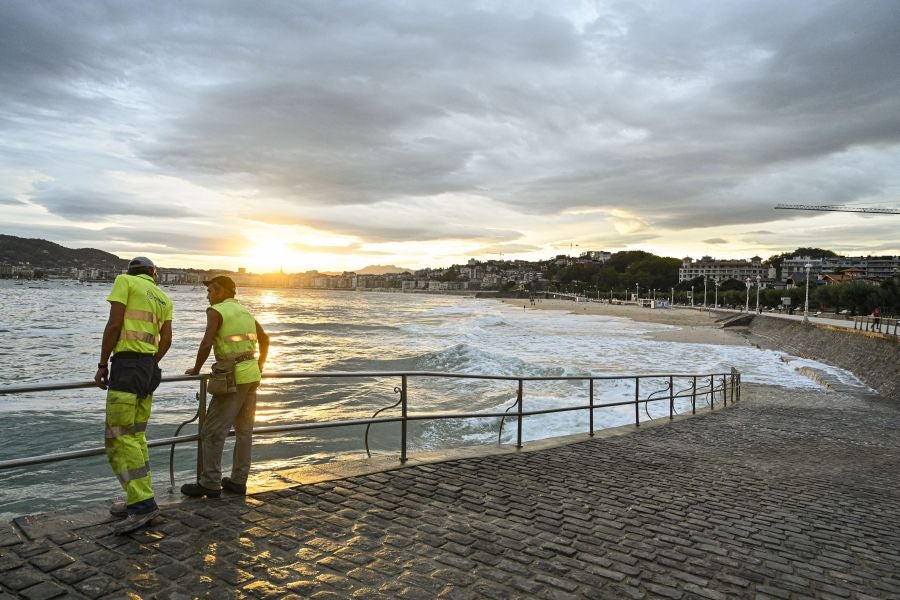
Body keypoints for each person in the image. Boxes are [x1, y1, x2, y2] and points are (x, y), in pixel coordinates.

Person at [95, 257, 173, 534]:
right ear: (153, 274)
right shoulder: (163, 298)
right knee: (137, 435)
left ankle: (142, 505)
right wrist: (150, 362)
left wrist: (103, 364)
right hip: (148, 369)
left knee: (120, 436)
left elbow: (114, 325)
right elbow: (167, 340)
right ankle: (138, 498)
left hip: (127, 367)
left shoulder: (124, 281)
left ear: (131, 272)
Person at [182, 275, 269, 498]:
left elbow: (207, 342)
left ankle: (210, 482)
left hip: (231, 377)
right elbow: (265, 339)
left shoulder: (216, 311)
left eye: (211, 290)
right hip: (251, 374)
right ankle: (239, 481)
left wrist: (195, 368)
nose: (208, 295)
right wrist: (259, 365)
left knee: (213, 430)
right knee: (244, 431)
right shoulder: (245, 312)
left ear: (222, 292)